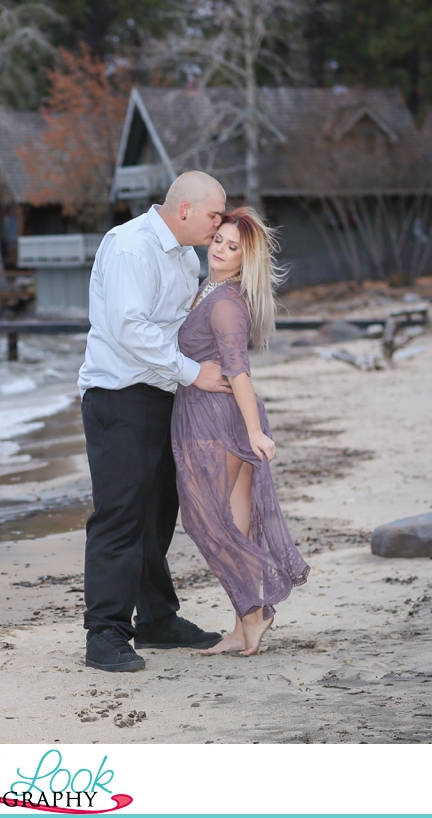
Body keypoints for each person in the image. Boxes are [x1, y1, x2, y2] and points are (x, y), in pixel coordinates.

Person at [78, 171, 231, 673]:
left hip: (165, 393)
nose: (219, 223)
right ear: (184, 209)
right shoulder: (130, 246)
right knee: (120, 515)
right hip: (118, 395)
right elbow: (129, 328)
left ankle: (157, 620)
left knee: (160, 511)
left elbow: (180, 323)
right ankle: (105, 633)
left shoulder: (186, 257)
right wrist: (195, 373)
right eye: (214, 215)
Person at [171, 207, 309, 656]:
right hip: (205, 414)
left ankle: (258, 608)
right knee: (237, 524)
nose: (221, 252)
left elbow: (240, 373)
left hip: (218, 422)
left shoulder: (227, 304)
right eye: (219, 242)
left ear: (246, 260)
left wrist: (254, 432)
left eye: (234, 248)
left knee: (204, 520)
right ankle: (242, 625)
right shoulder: (208, 288)